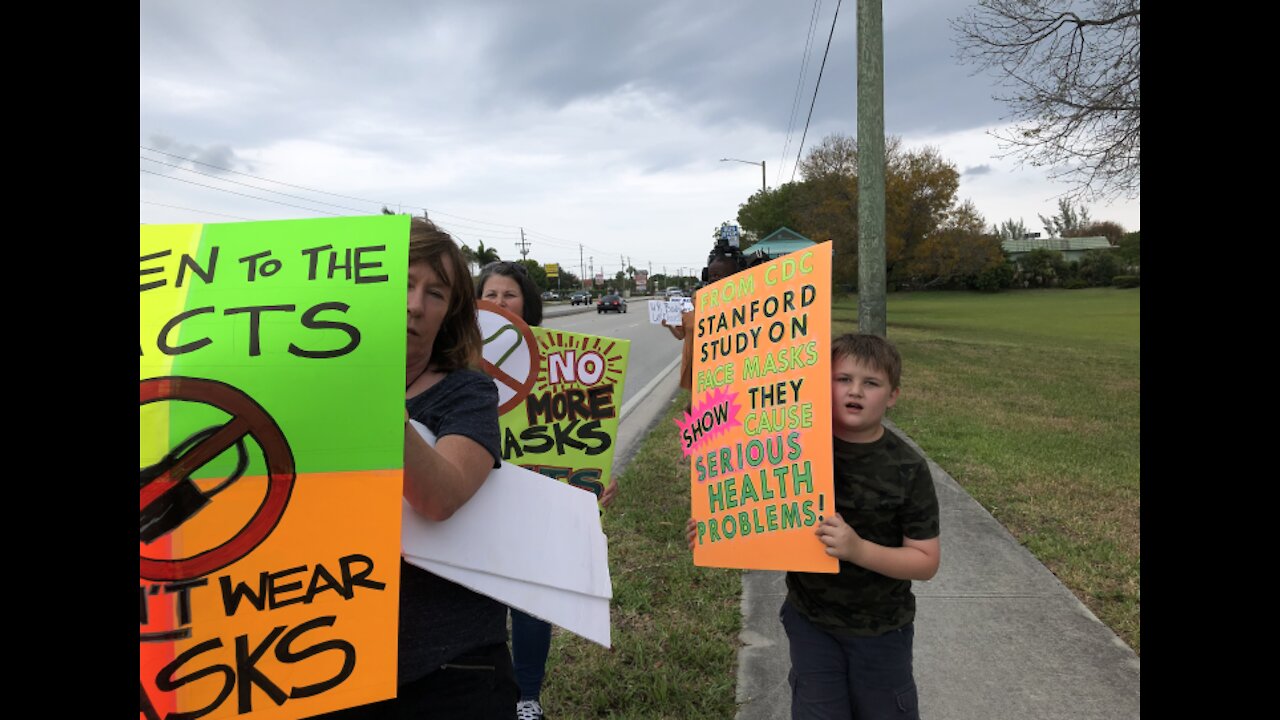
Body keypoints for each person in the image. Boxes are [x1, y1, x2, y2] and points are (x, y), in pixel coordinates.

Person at [687, 333, 941, 720]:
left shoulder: (907, 467)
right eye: (842, 379)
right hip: (811, 623)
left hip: (882, 630)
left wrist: (858, 549)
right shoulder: (793, 447)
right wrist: (716, 528)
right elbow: (757, 508)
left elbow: (925, 561)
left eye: (871, 383)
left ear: (892, 395)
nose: (855, 391)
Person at [326, 217, 518, 719]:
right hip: (329, 658)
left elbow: (440, 497)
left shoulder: (467, 392)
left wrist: (368, 391)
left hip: (448, 671)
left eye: (435, 293)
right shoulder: (307, 386)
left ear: (449, 313)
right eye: (403, 283)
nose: (415, 304)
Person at [476, 260, 619, 720]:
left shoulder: (561, 359)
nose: (498, 304)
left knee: (531, 603)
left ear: (528, 303)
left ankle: (526, 698)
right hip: (474, 496)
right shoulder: (455, 359)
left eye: (509, 295)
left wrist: (588, 483)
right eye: (490, 295)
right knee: (476, 602)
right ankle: (483, 690)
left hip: (534, 504)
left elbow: (576, 435)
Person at [661, 242, 757, 411]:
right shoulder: (694, 301)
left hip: (730, 373)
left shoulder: (744, 303)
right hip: (700, 373)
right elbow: (681, 335)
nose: (714, 279)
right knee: (695, 414)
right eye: (711, 275)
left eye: (720, 275)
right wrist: (669, 325)